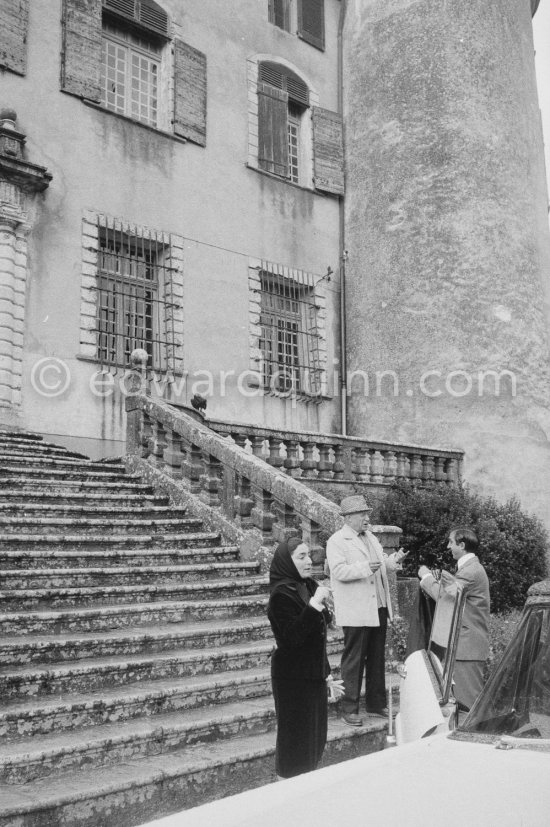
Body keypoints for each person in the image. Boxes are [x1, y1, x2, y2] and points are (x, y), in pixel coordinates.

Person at [325, 495, 408, 726]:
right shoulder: (337, 541)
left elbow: (382, 563)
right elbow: (338, 571)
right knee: (354, 658)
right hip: (356, 609)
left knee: (376, 657)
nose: (367, 518)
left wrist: (394, 560)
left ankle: (375, 704)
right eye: (363, 514)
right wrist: (364, 568)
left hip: (378, 606)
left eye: (367, 514)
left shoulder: (371, 537)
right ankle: (349, 707)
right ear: (349, 517)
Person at [267, 537, 344, 778]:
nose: (309, 561)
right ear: (286, 562)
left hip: (312, 674)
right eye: (301, 557)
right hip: (292, 678)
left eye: (308, 555)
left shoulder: (308, 585)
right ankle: (286, 789)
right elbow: (292, 638)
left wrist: (326, 675)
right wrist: (314, 604)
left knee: (315, 739)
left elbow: (317, 638)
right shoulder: (281, 594)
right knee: (295, 741)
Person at [418, 525, 490, 711]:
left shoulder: (470, 571)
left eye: (451, 542)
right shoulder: (469, 569)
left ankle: (474, 739)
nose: (448, 547)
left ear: (462, 545)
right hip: (466, 646)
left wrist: (425, 577)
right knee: (463, 705)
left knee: (470, 706)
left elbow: (445, 598)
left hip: (467, 648)